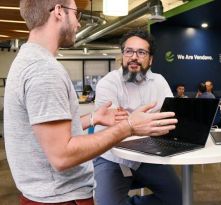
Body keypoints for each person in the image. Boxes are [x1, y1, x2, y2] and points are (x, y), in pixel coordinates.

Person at [4, 1, 177, 204]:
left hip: (51, 192)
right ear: (59, 12)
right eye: (76, 14)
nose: (78, 24)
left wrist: (94, 117)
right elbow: (62, 156)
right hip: (61, 196)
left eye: (141, 53)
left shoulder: (29, 59)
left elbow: (51, 132)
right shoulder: (44, 71)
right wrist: (130, 126)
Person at [93, 29, 182, 205]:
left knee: (177, 198)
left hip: (146, 156)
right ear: (122, 55)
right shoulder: (108, 84)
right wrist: (141, 124)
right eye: (129, 51)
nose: (134, 57)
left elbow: (169, 118)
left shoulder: (159, 81)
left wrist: (131, 121)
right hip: (112, 157)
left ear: (150, 59)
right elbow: (113, 129)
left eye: (141, 52)